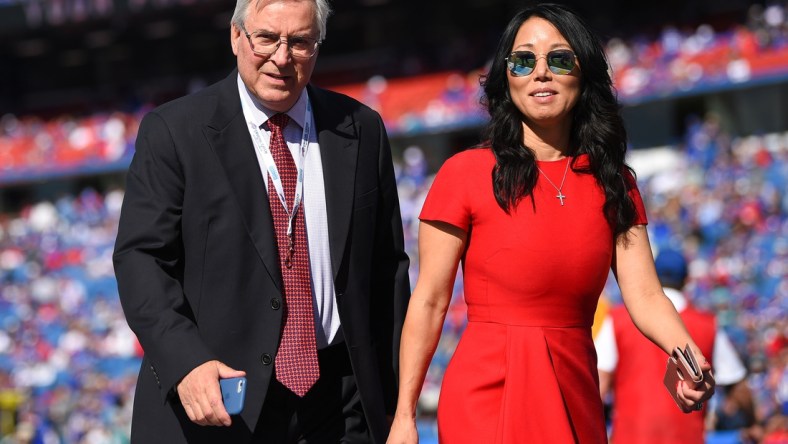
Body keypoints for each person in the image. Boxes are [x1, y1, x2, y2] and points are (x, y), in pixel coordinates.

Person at [387, 4, 715, 443]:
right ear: (507, 77)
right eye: (524, 61)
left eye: (559, 59)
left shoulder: (614, 182)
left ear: (584, 75)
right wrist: (404, 416)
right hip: (484, 395)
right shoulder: (463, 173)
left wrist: (689, 357)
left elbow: (647, 296)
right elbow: (429, 302)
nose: (540, 72)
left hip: (574, 388)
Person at [112, 0, 410, 442]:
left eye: (300, 42)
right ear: (236, 37)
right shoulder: (174, 131)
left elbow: (388, 274)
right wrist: (186, 362)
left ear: (318, 45)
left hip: (340, 404)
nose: (282, 57)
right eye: (267, 38)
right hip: (220, 399)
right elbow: (141, 259)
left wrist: (398, 406)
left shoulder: (361, 129)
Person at [595, 247, 748, 443]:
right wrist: (754, 422)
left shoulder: (617, 319)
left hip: (630, 437)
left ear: (652, 275)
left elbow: (600, 384)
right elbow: (737, 386)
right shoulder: (708, 325)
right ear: (686, 281)